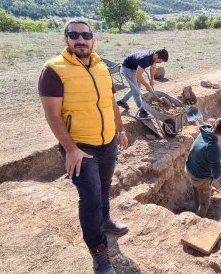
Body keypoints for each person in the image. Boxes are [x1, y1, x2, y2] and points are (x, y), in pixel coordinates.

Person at [38, 18, 129, 274]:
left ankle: (106, 221)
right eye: (74, 34)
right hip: (80, 147)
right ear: (65, 39)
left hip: (108, 141)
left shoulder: (101, 66)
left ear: (93, 39)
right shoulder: (53, 70)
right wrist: (71, 149)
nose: (80, 39)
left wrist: (120, 130)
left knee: (104, 187)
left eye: (85, 35)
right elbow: (53, 115)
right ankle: (99, 254)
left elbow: (111, 102)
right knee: (89, 198)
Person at [185, 117, 221, 218]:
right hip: (199, 178)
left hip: (189, 169)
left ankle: (197, 204)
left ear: (213, 125)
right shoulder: (213, 148)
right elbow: (216, 175)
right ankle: (198, 221)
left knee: (196, 189)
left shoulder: (204, 131)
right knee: (205, 203)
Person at [116, 49, 169, 118]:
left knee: (136, 87)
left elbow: (153, 67)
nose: (160, 62)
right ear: (156, 55)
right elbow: (138, 76)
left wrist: (152, 80)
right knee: (136, 91)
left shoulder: (154, 55)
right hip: (127, 69)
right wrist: (147, 85)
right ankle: (142, 111)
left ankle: (122, 102)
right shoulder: (145, 59)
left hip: (135, 67)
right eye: (160, 61)